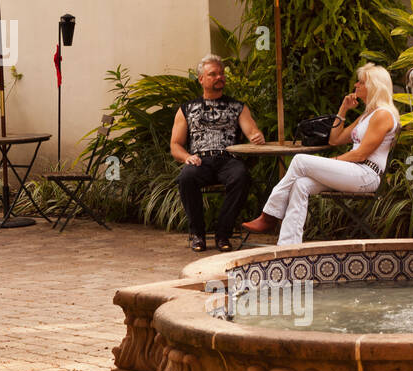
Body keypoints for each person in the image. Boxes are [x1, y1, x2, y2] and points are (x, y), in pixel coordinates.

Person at [241, 63, 399, 246]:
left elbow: (360, 155)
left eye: (361, 82)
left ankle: (269, 216)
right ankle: (288, 247)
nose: (356, 85)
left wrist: (332, 162)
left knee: (300, 160)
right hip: (353, 171)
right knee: (301, 184)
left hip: (366, 175)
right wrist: (343, 109)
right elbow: (335, 139)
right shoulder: (367, 115)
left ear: (374, 86)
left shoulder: (383, 115)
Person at [171, 55, 265, 253]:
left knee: (242, 176)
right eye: (212, 74)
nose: (219, 77)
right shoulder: (186, 109)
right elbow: (175, 145)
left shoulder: (238, 107)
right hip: (200, 159)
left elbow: (252, 132)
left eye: (221, 73)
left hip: (228, 159)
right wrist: (186, 157)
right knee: (186, 177)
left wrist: (257, 137)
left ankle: (223, 233)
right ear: (201, 79)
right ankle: (198, 234)